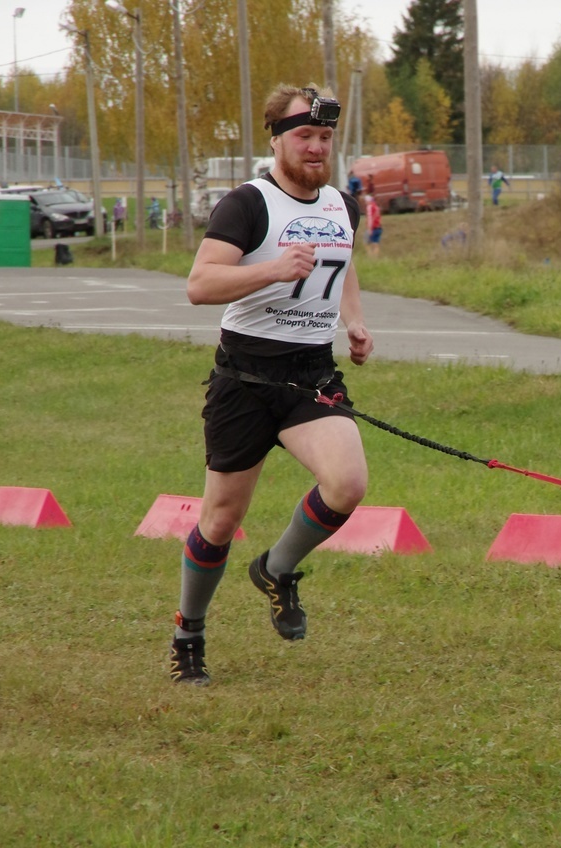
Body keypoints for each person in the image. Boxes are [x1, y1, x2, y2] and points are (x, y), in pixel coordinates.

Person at [168, 83, 373, 686]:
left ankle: (277, 570)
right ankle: (189, 633)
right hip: (245, 377)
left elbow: (345, 261)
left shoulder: (343, 205)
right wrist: (272, 271)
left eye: (325, 137)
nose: (316, 147)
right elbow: (200, 285)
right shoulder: (247, 204)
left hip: (310, 376)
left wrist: (354, 322)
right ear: (278, 139)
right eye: (304, 135)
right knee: (221, 520)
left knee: (348, 482)